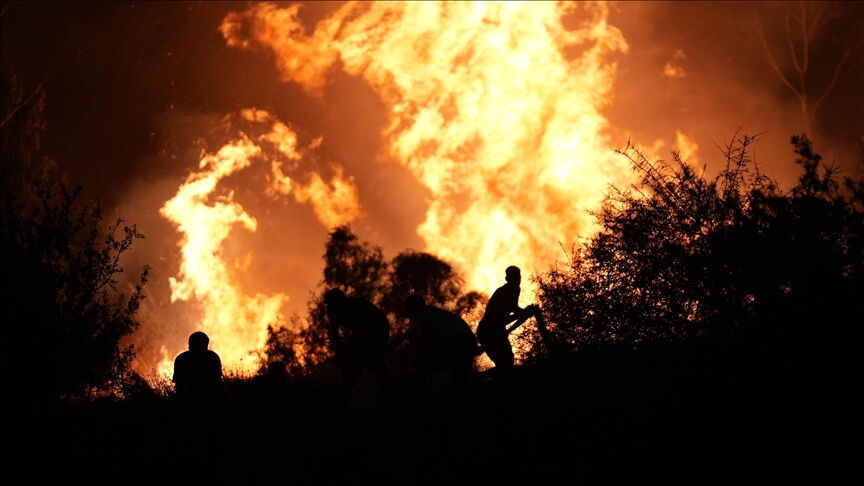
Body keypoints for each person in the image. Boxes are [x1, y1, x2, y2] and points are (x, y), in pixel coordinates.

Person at [324, 288, 390, 407]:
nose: (331, 308)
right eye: (329, 305)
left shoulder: (356, 305)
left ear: (341, 302)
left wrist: (353, 354)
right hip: (362, 330)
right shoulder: (333, 313)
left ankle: (386, 397)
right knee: (350, 367)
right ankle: (346, 400)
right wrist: (342, 353)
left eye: (333, 304)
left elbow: (367, 329)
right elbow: (335, 335)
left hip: (378, 326)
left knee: (375, 362)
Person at [404, 294, 481, 398]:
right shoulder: (434, 312)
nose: (407, 312)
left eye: (408, 308)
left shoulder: (423, 313)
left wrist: (421, 356)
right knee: (460, 381)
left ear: (413, 307)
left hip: (458, 341)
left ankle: (418, 401)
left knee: (421, 365)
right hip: (468, 341)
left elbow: (429, 336)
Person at [476, 266, 538, 370]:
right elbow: (509, 314)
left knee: (507, 361)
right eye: (514, 277)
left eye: (518, 277)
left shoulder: (516, 289)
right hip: (487, 331)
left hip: (497, 330)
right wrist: (525, 312)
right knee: (504, 363)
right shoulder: (503, 292)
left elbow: (514, 312)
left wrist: (524, 312)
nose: (517, 280)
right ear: (507, 279)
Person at [172, 331, 224, 407]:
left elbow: (179, 387)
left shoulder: (181, 359)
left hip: (188, 401)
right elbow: (218, 383)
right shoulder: (213, 357)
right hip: (210, 400)